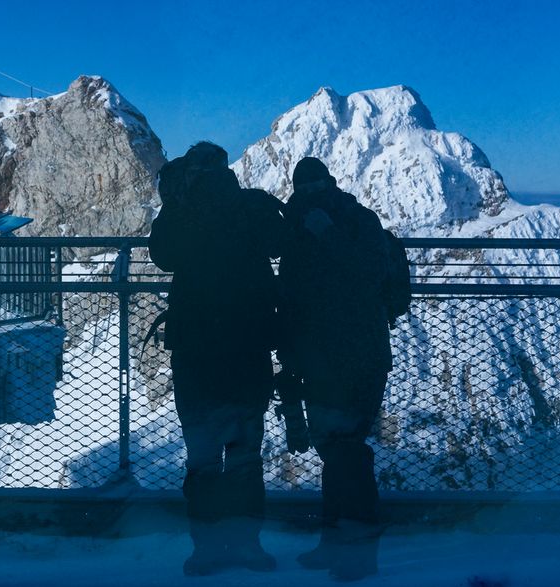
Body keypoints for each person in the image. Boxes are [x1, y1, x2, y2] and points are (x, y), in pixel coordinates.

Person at [148, 141, 289, 576]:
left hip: (196, 352)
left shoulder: (182, 209)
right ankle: (247, 545)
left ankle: (206, 550)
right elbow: (280, 242)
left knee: (203, 456)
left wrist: (176, 205)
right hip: (247, 347)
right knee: (245, 453)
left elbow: (162, 256)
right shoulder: (248, 205)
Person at [277, 157, 393, 581]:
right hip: (327, 356)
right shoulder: (299, 226)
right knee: (336, 446)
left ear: (329, 181)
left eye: (314, 182)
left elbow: (369, 273)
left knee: (345, 446)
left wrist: (327, 235)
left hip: (352, 354)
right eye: (303, 184)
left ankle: (356, 546)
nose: (309, 190)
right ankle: (339, 541)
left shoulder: (353, 220)